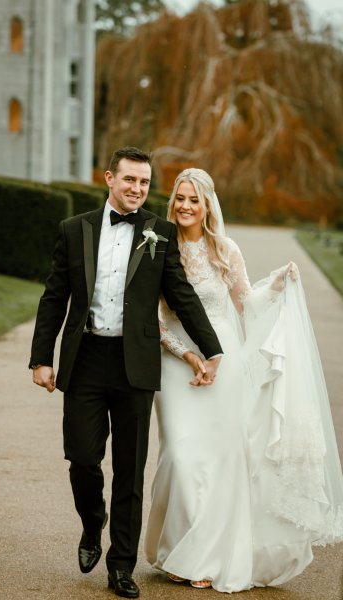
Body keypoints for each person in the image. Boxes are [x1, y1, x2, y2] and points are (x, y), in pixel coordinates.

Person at [29, 148, 224, 598]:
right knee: (81, 457)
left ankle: (121, 566)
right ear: (110, 178)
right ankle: (92, 519)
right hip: (86, 360)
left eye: (145, 183)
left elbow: (181, 295)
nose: (138, 189)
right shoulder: (74, 229)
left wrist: (212, 349)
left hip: (136, 364)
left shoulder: (161, 232)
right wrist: (41, 358)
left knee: (131, 472)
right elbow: (53, 297)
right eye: (130, 180)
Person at [144, 168, 343, 592]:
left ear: (207, 204)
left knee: (222, 458)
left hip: (223, 363)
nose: (184, 206)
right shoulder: (161, 246)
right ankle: (179, 545)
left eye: (193, 199)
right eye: (179, 198)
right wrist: (186, 353)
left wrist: (276, 285)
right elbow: (155, 318)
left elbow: (244, 303)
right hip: (176, 360)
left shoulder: (224, 249)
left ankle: (199, 558)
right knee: (179, 454)